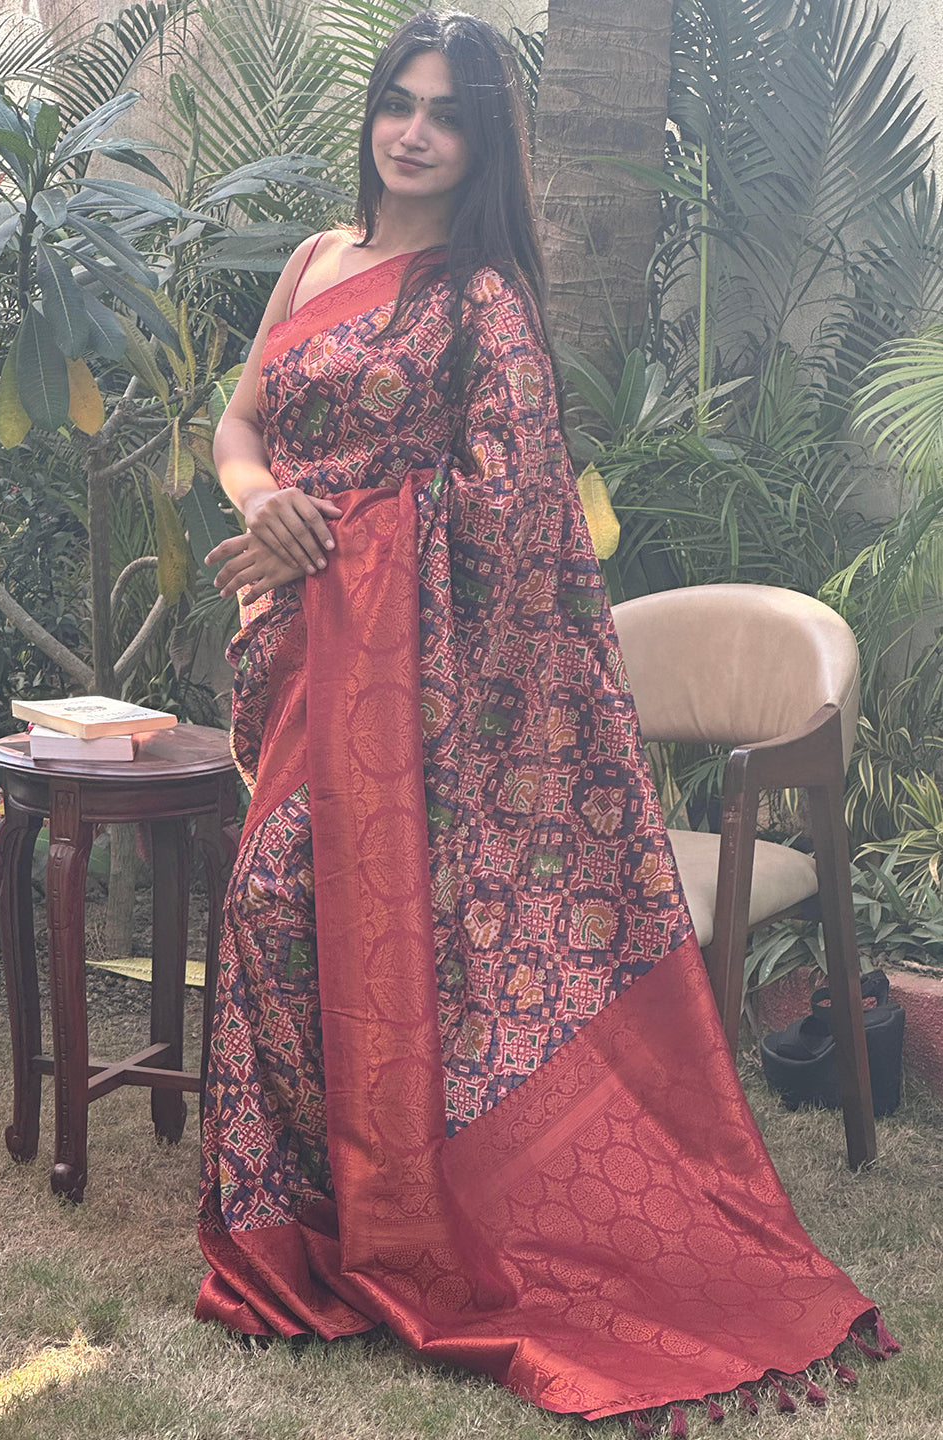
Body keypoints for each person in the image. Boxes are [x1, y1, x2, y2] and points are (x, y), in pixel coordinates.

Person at [196, 10, 894, 1425]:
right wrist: (262, 505)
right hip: (295, 654)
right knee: (274, 920)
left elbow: (516, 522)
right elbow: (240, 424)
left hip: (406, 683)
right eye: (400, 102)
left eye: (447, 114)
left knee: (291, 898)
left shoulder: (481, 300)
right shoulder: (316, 264)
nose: (413, 132)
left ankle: (374, 1222)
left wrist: (346, 531)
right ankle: (294, 1233)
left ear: (481, 142)